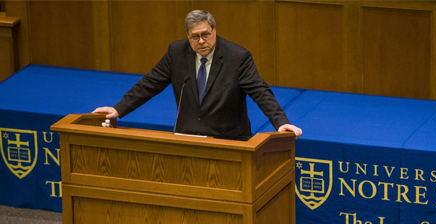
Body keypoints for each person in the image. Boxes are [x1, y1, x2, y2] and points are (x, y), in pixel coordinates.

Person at [93, 10, 302, 140]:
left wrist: (280, 122)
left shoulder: (237, 57)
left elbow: (260, 91)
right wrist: (118, 109)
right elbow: (150, 83)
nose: (201, 41)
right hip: (188, 136)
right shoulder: (176, 53)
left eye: (206, 35)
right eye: (195, 37)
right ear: (187, 36)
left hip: (228, 139)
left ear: (214, 32)